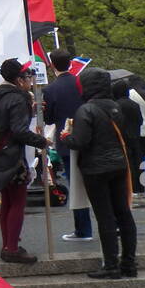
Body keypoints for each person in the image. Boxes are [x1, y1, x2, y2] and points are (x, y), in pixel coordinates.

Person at [68, 68, 138, 279]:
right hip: (119, 165)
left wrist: (65, 137)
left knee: (105, 216)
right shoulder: (116, 106)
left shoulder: (85, 110)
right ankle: (129, 263)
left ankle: (110, 265)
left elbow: (80, 141)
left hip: (95, 169)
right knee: (124, 213)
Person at [0, 59, 51, 264]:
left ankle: (7, 245)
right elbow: (19, 131)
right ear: (19, 80)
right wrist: (42, 141)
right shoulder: (18, 98)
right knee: (18, 202)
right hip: (12, 157)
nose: (30, 81)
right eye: (28, 77)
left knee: (8, 202)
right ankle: (12, 248)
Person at [44, 49, 93, 242]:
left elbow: (48, 118)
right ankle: (111, 224)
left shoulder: (50, 90)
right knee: (96, 183)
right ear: (70, 63)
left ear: (52, 65)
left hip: (66, 140)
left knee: (76, 185)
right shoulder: (82, 84)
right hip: (89, 136)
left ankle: (83, 229)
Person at [112, 78, 145, 203]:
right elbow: (140, 121)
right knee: (138, 162)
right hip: (136, 136)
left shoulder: (116, 105)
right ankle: (141, 188)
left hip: (123, 138)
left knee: (128, 164)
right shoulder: (134, 104)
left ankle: (131, 188)